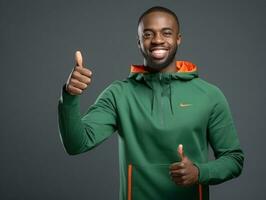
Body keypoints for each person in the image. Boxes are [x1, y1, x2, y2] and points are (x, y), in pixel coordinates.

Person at [57, 6, 244, 200]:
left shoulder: (209, 95)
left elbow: (234, 160)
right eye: (148, 34)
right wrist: (70, 95)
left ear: (178, 38)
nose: (157, 40)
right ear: (139, 42)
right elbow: (76, 144)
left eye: (166, 33)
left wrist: (199, 172)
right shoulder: (119, 94)